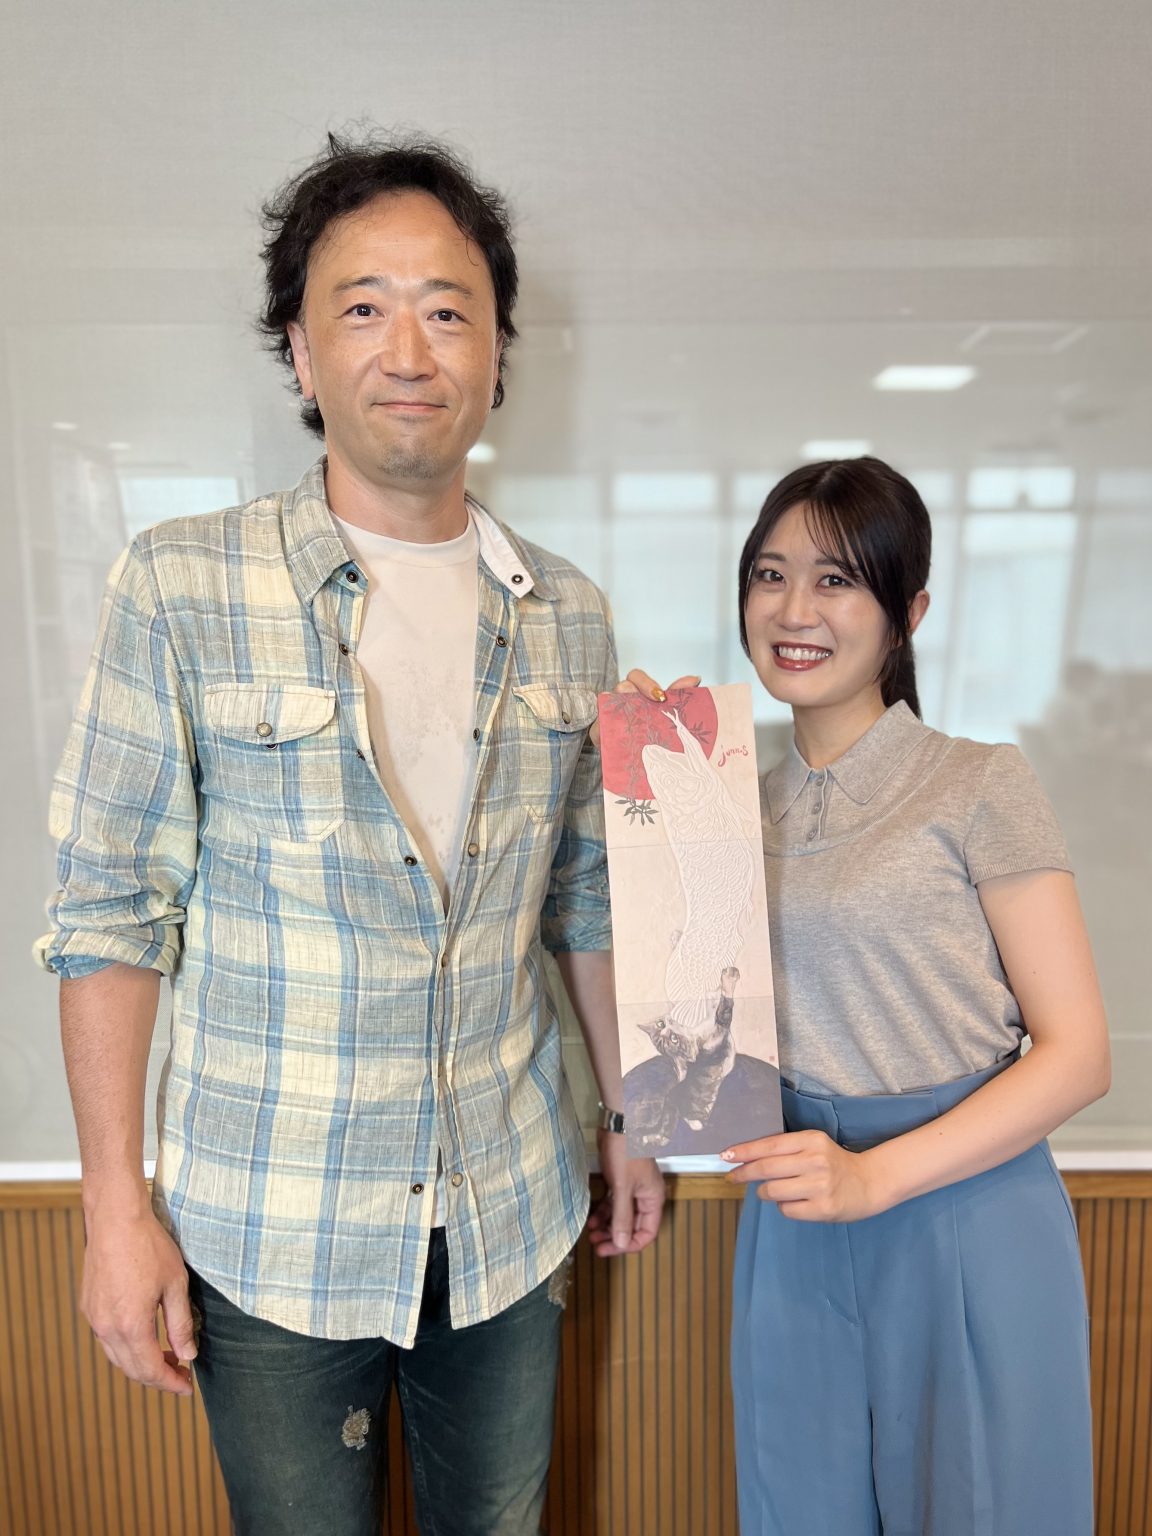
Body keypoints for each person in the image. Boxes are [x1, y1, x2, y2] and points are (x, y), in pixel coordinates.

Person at [35, 131, 664, 1536]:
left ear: (496, 357)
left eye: (449, 310)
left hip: (508, 1209)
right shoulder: (180, 584)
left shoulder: (567, 612)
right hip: (273, 1221)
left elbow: (586, 900)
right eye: (363, 307)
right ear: (302, 354)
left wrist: (633, 1119)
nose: (409, 350)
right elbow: (109, 913)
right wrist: (112, 1209)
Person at [630, 455, 1108, 1534]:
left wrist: (874, 1179)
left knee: (987, 1509)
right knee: (799, 1509)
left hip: (965, 1208)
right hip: (798, 1208)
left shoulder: (979, 782)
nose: (794, 610)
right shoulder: (729, 808)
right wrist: (647, 777)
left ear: (909, 613)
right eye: (770, 574)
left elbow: (1081, 1053)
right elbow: (689, 1024)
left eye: (837, 579)